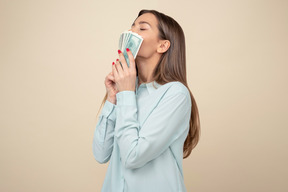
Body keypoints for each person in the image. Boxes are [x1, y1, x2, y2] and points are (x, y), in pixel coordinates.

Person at [92, 9, 200, 192]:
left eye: (142, 28)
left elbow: (133, 156)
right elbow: (100, 153)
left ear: (163, 46)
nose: (131, 32)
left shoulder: (176, 94)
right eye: (131, 27)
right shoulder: (128, 90)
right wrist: (113, 98)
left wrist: (125, 93)